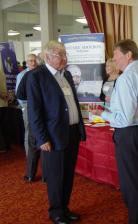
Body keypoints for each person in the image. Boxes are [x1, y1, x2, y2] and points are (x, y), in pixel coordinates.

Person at [26, 40, 86, 224]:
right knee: (55, 176)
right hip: (52, 137)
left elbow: (72, 104)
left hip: (71, 133)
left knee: (67, 175)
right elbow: (34, 112)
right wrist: (41, 138)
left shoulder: (66, 74)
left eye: (65, 54)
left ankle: (65, 208)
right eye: (61, 55)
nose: (65, 58)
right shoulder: (36, 76)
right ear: (47, 57)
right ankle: (56, 212)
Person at [100, 39, 138, 224]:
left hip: (129, 133)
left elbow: (124, 119)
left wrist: (102, 114)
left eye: (116, 55)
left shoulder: (126, 78)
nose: (114, 59)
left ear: (128, 55)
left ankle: (136, 219)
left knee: (130, 181)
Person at [15, 53, 41, 182]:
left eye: (34, 60)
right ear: (26, 62)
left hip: (36, 110)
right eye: (30, 61)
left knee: (33, 137)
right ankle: (29, 159)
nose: (33, 63)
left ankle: (32, 172)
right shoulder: (22, 75)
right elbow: (19, 95)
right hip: (28, 108)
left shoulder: (39, 73)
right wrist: (25, 107)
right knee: (30, 135)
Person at [0, 69, 9, 153]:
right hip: (4, 103)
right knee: (3, 126)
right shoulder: (2, 72)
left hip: (2, 102)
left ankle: (2, 147)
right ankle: (5, 146)